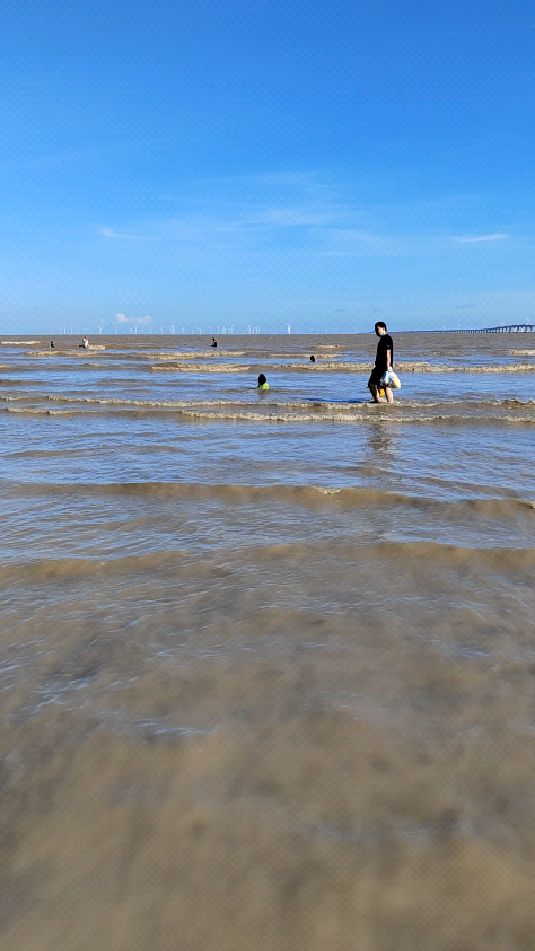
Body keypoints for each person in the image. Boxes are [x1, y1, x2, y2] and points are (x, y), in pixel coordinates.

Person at [368, 322, 395, 403]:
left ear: (383, 328)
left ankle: (387, 403)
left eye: (377, 329)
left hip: (384, 367)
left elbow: (388, 354)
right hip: (379, 367)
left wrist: (389, 368)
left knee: (385, 386)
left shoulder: (387, 338)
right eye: (375, 329)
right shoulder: (383, 339)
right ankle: (379, 400)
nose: (376, 331)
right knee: (374, 384)